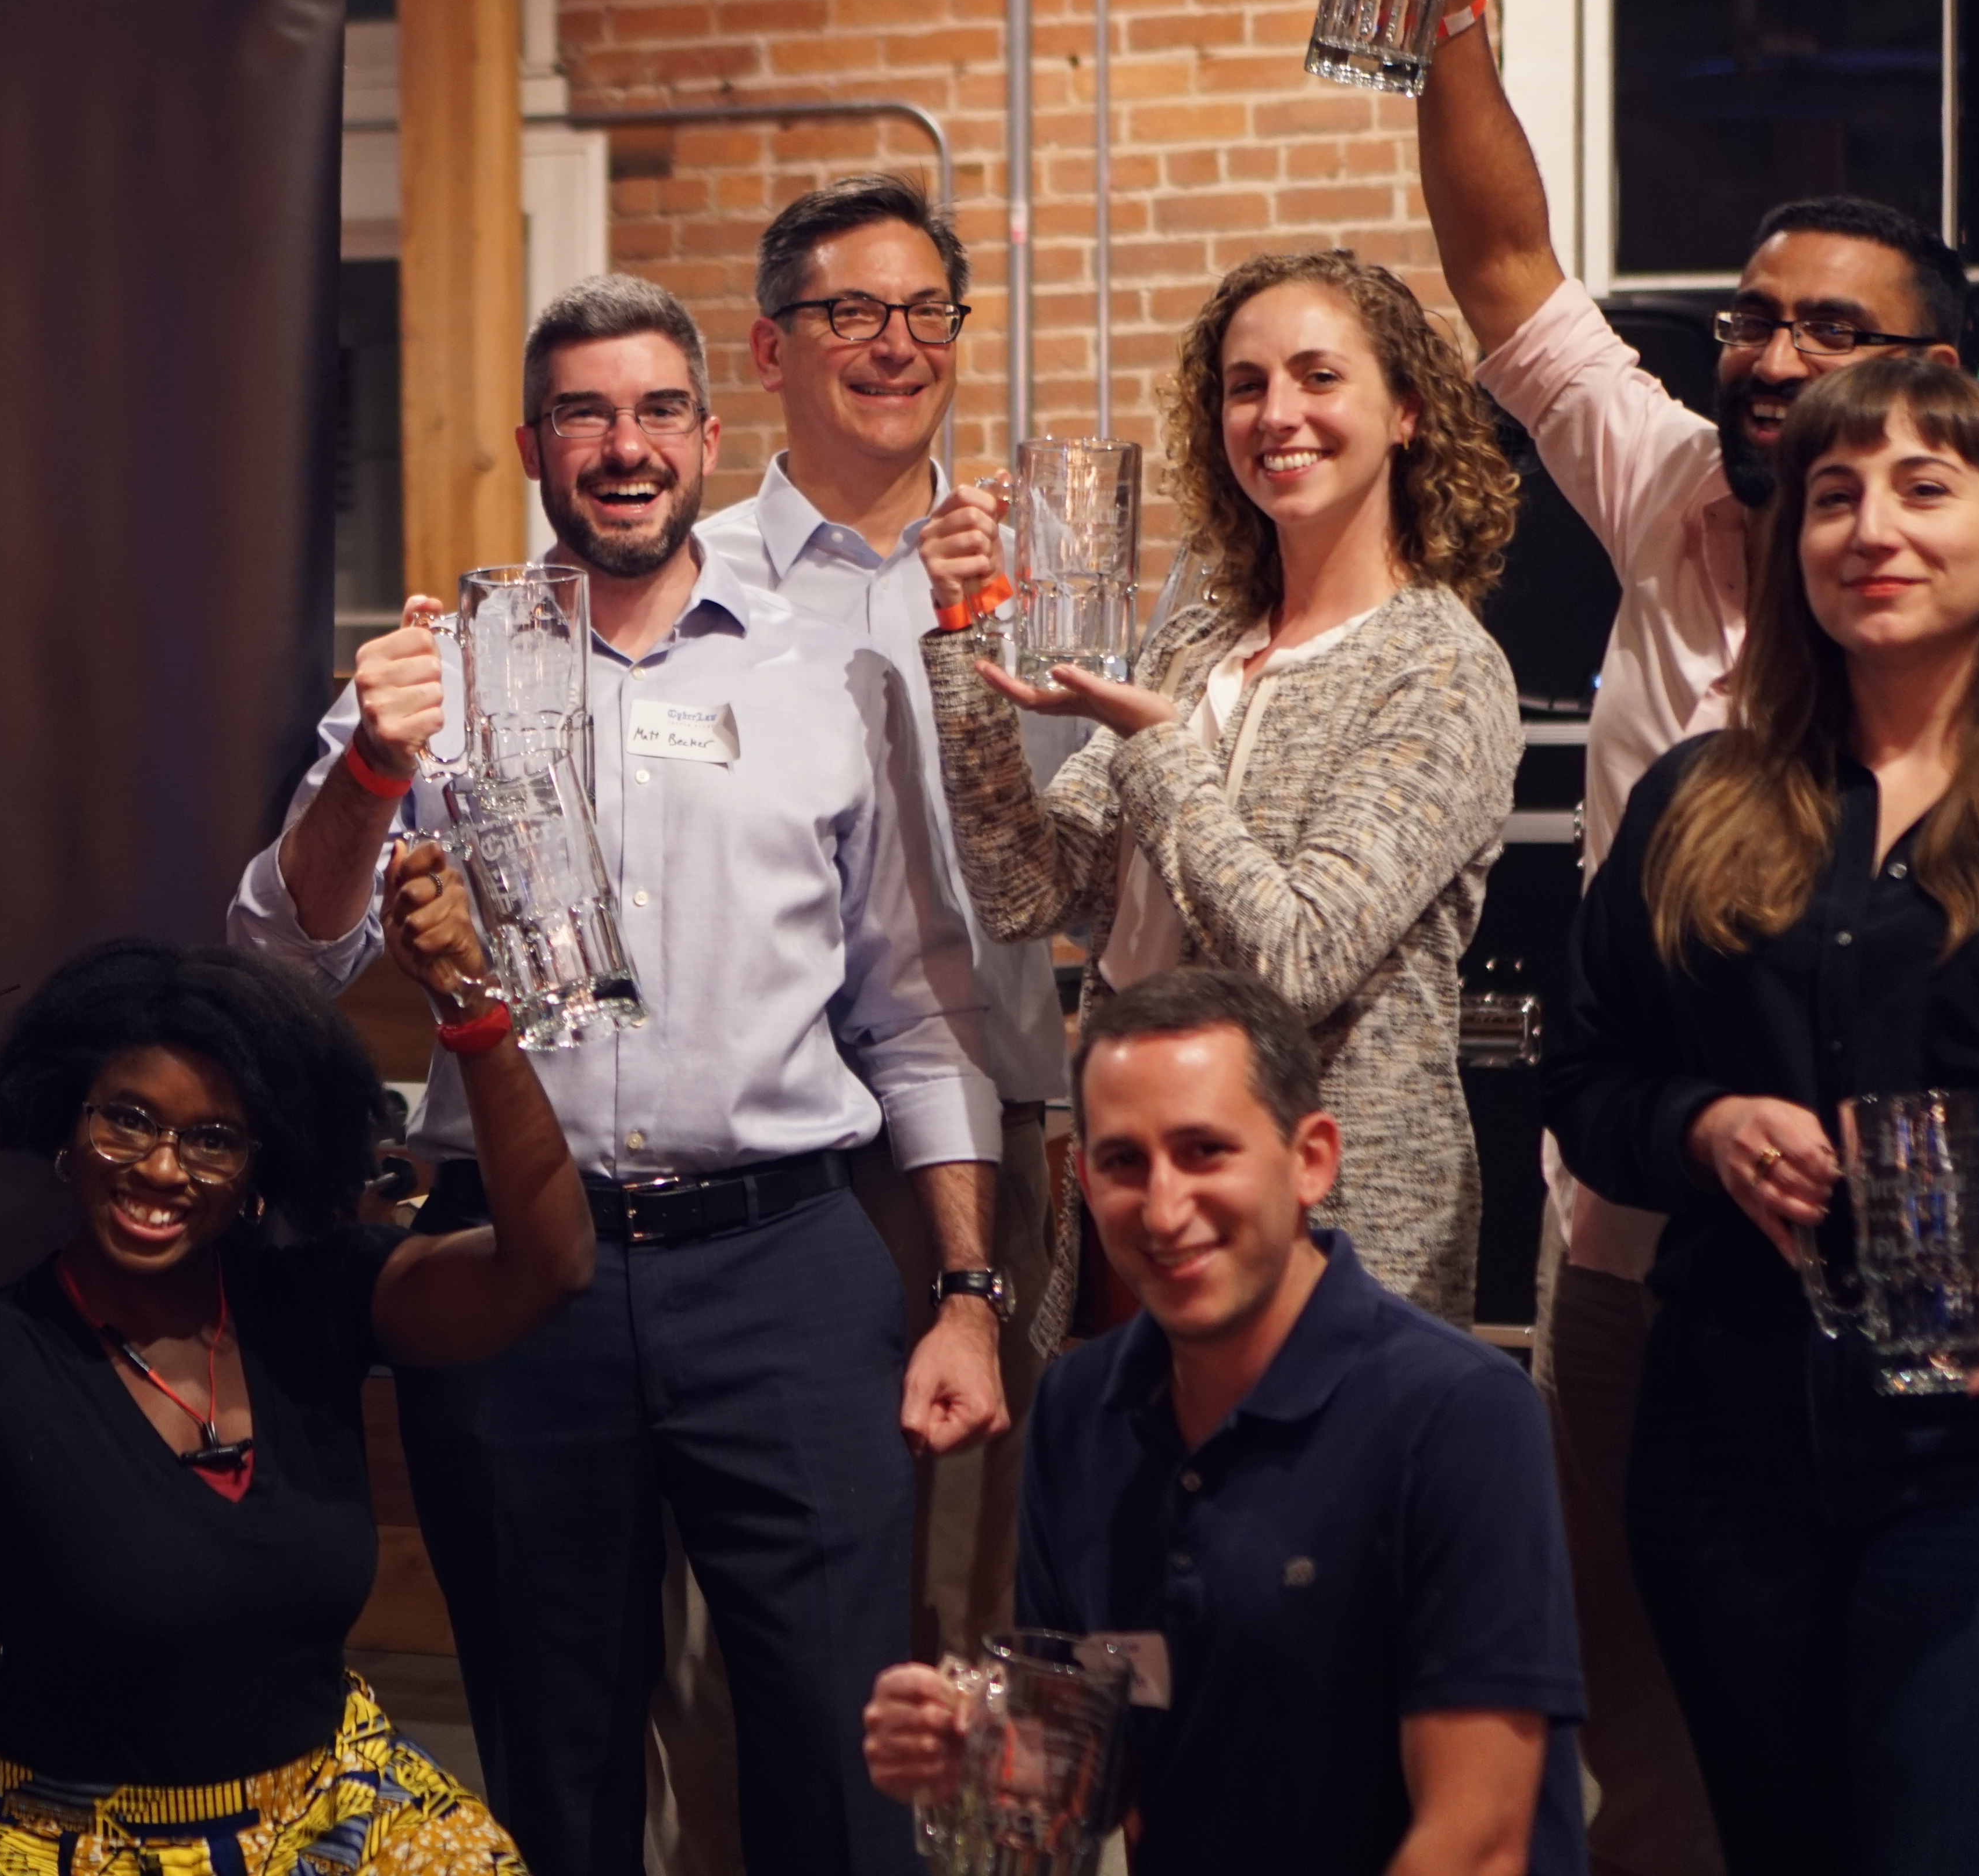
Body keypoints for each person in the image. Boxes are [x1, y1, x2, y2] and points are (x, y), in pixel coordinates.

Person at [229, 272, 1003, 1876]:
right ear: (534, 445)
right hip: (522, 1274)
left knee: (842, 1760)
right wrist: (375, 761)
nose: (624, 444)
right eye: (584, 411)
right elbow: (280, 954)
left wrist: (971, 1289)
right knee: (548, 1755)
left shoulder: (834, 678)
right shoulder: (445, 671)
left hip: (786, 1268)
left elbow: (918, 1013)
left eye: (658, 409)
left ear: (711, 437)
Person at [1413, 0, 1973, 1876]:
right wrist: (1448, 26)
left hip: (1924, 1276)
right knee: (1647, 1758)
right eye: (1753, 319)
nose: (1771, 354)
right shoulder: (1675, 508)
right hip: (1641, 1261)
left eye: (1829, 327)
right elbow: (1507, 274)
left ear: (1940, 387)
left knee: (1900, 1761)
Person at [1547, 359, 1979, 1876]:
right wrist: (1706, 1127)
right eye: (1834, 494)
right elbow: (1588, 1084)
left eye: (1927, 486)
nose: (1871, 525)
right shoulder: (1696, 800)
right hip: (1730, 1438)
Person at [0, 861, 590, 1876]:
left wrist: (467, 999)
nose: (159, 1169)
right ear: (68, 1125)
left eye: (214, 1141)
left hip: (332, 1819)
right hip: (73, 1845)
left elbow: (550, 1263)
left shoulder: (321, 1302)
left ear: (260, 1173)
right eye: (127, 1119)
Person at [860, 964, 1587, 1876]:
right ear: (1081, 1177)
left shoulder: (1458, 1416)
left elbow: (1477, 1843)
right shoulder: (1078, 1411)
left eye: (1205, 1151)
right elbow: (1090, 1774)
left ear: (1312, 1159)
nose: (1165, 1210)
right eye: (1125, 1161)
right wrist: (974, 1756)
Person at [915, 248, 1522, 1320]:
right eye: (1246, 386)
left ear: (1410, 414)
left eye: (1319, 377)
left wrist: (1158, 746)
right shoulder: (1197, 645)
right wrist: (965, 634)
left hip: (1331, 1239)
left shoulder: (1441, 666)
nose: (1277, 413)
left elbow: (1296, 960)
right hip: (1137, 1202)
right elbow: (1027, 889)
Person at [694, 176, 1080, 1656]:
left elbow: (1068, 862)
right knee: (763, 1618)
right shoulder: (689, 574)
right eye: (852, 309)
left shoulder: (1044, 574)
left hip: (1001, 1119)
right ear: (768, 345)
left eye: (929, 311)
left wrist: (982, 632)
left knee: (984, 1603)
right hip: (774, 1139)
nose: (897, 342)